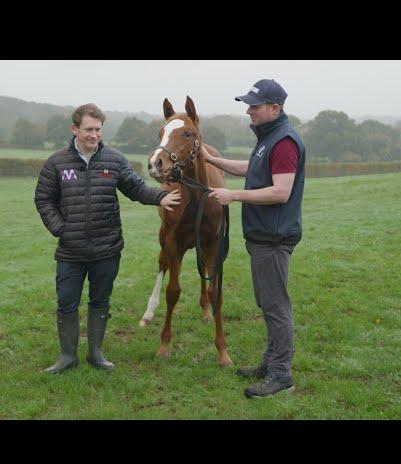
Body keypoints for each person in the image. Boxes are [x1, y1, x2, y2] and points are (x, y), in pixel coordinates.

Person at [35, 103, 181, 374]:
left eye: (98, 130)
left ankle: (95, 353)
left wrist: (161, 196)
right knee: (67, 302)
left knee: (100, 301)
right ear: (75, 129)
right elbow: (43, 199)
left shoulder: (114, 160)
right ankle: (67, 356)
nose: (94, 135)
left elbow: (136, 189)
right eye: (88, 129)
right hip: (71, 251)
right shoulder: (56, 162)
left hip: (106, 249)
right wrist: (60, 229)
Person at [201, 79, 306, 398]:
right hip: (262, 237)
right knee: (267, 302)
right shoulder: (269, 139)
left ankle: (281, 376)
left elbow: (280, 191)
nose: (249, 111)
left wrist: (233, 195)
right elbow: (253, 167)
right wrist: (212, 160)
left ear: (276, 108)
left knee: (276, 306)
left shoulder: (284, 141)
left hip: (274, 238)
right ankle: (270, 363)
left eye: (255, 106)